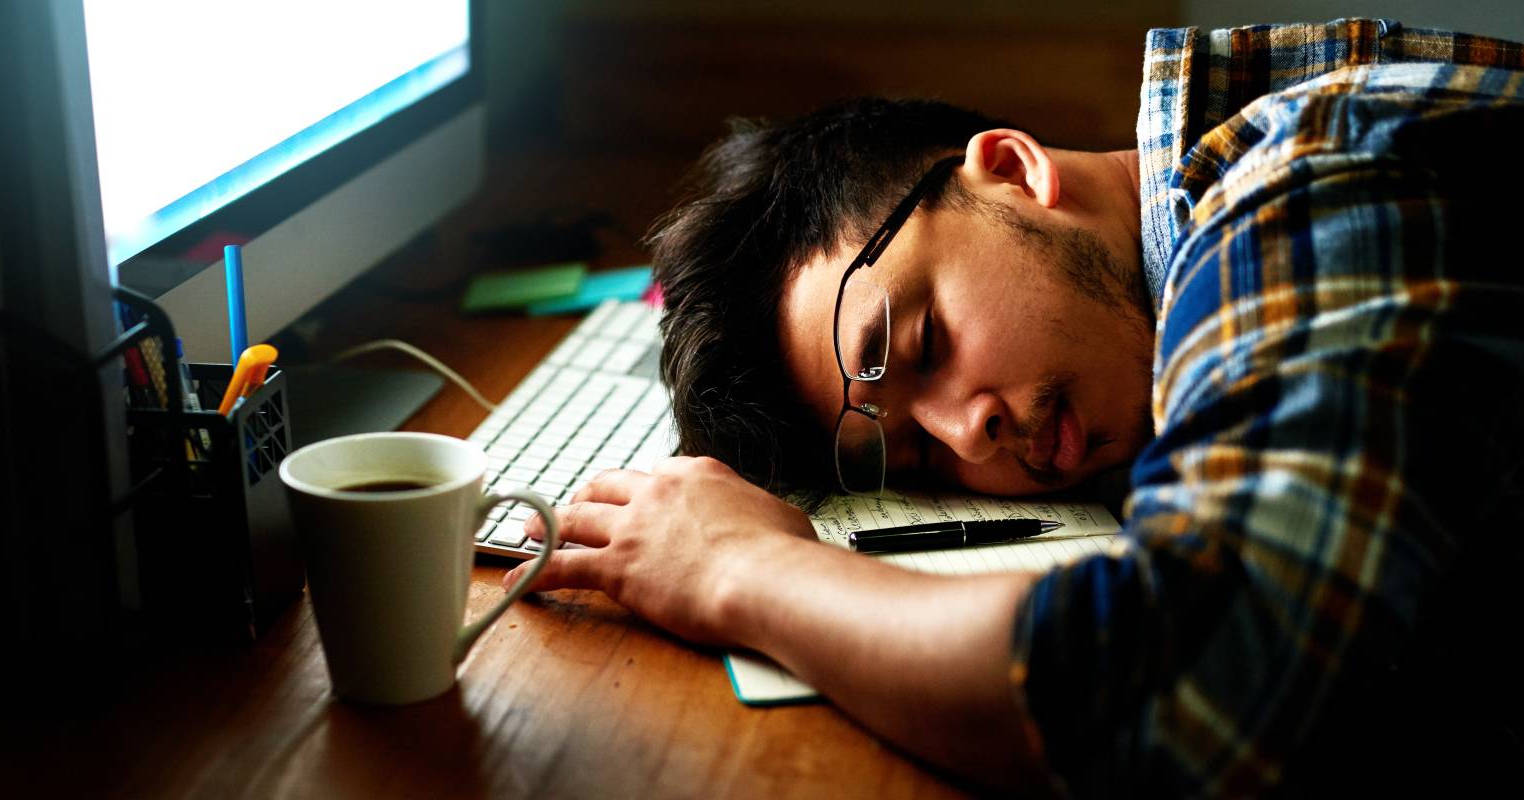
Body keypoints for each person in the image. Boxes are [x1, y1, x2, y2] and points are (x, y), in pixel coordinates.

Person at [501, 18, 1524, 797]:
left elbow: (1187, 686)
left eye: (920, 345)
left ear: (1008, 170)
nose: (967, 433)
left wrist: (738, 567)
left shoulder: (1310, 185)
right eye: (914, 458)